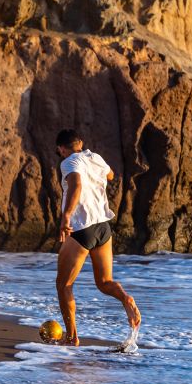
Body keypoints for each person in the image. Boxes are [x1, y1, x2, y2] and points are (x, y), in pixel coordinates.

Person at [54, 129, 141, 346]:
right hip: (103, 227)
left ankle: (72, 336)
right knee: (104, 282)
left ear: (61, 149)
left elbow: (76, 185)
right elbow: (111, 175)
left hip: (81, 228)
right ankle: (126, 299)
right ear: (80, 142)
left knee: (63, 285)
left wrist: (65, 216)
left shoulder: (68, 162)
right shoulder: (95, 158)